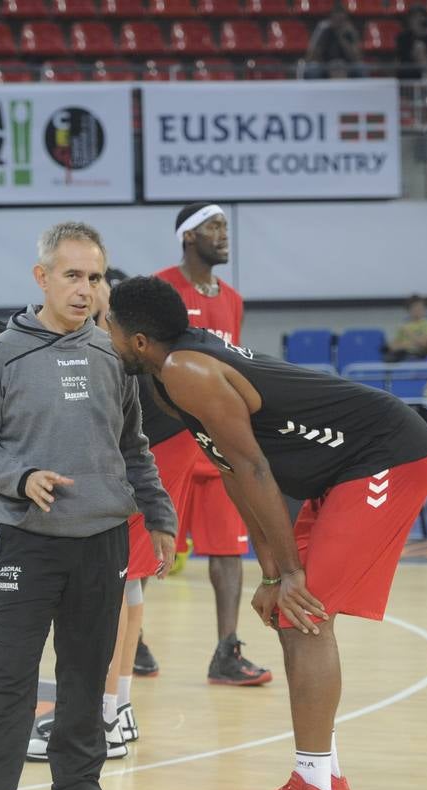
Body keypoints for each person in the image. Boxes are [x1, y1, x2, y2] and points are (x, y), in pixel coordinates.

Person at [104, 276, 427, 790]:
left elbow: (256, 469)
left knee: (306, 614)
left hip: (386, 453)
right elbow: (232, 471)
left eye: (108, 325)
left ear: (138, 341)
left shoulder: (187, 370)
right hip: (340, 471)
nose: (102, 333)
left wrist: (291, 575)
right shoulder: (166, 378)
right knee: (292, 612)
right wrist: (271, 572)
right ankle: (325, 782)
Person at [0, 222, 176, 790]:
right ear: (41, 277)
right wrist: (21, 479)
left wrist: (158, 515)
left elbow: (134, 447)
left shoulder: (113, 354)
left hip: (103, 537)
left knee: (86, 668)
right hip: (28, 538)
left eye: (94, 278)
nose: (85, 289)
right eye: (72, 275)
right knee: (10, 670)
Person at [154, 203, 272, 687]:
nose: (224, 234)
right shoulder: (161, 290)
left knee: (227, 549)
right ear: (188, 236)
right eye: (213, 226)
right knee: (146, 548)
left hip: (217, 441)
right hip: (170, 439)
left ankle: (227, 650)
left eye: (225, 226)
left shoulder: (234, 300)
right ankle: (127, 639)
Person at [303, 4, 365, 80]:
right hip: (325, 66)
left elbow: (357, 58)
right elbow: (310, 56)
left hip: (347, 66)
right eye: (336, 19)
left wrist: (342, 38)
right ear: (331, 18)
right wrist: (324, 39)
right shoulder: (323, 29)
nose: (338, 22)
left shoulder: (350, 31)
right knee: (312, 68)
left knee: (361, 67)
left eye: (341, 20)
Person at [394, 6, 427, 81]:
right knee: (419, 47)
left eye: (421, 16)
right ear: (409, 20)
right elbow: (403, 55)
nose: (418, 20)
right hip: (410, 67)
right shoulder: (403, 37)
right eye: (415, 17)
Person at [384, 294, 427, 361]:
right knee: (387, 358)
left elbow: (425, 344)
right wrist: (402, 346)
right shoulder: (405, 324)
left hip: (416, 355)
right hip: (400, 353)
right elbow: (394, 344)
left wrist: (408, 332)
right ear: (409, 310)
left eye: (420, 308)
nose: (417, 311)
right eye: (414, 308)